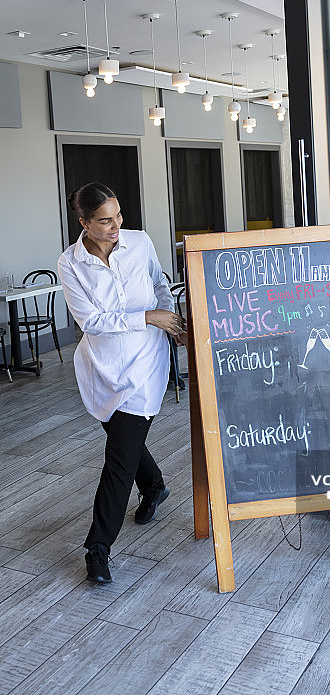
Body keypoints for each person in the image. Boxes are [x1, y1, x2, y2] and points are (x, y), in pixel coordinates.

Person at [58, 182, 184, 584]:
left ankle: (98, 549)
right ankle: (154, 486)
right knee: (124, 442)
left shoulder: (140, 242)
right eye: (105, 221)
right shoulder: (71, 264)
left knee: (118, 458)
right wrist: (149, 317)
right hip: (100, 368)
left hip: (145, 365)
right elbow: (91, 322)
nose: (116, 226)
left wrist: (169, 317)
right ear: (84, 223)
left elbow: (159, 284)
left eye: (118, 216)